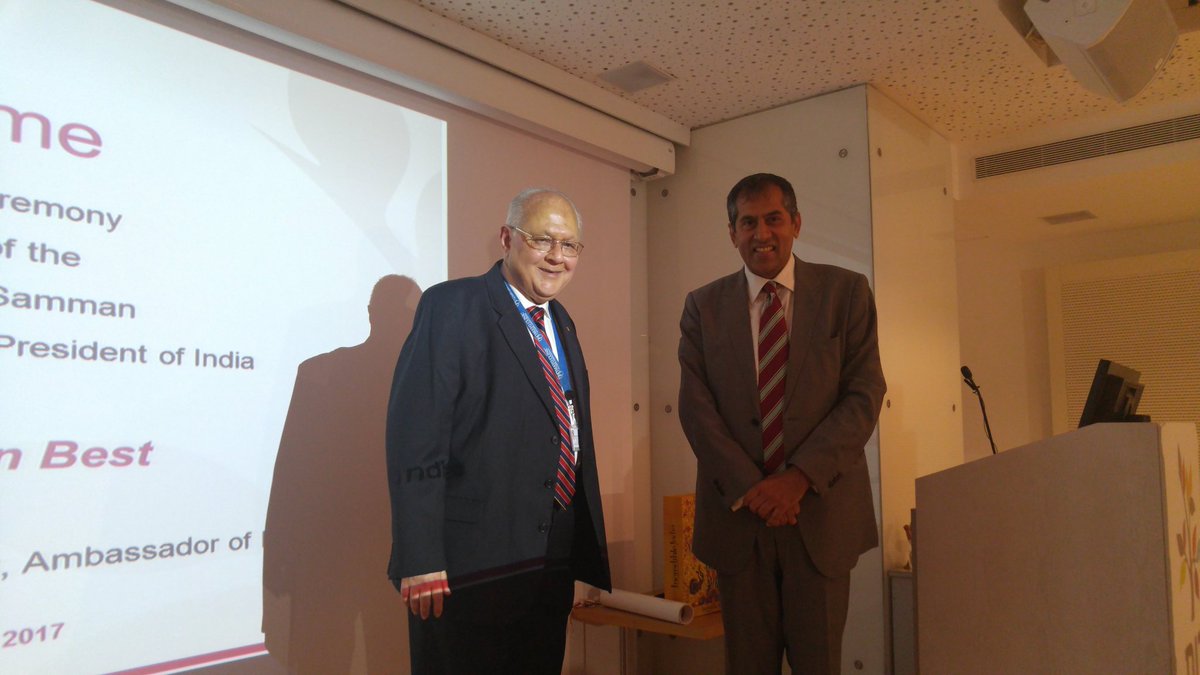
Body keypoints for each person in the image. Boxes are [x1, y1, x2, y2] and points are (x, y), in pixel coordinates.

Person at [386, 188, 610, 674]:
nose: (556, 256)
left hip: (547, 559)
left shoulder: (561, 321)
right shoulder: (453, 305)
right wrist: (419, 556)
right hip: (469, 566)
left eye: (569, 245)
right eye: (542, 240)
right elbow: (416, 437)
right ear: (507, 239)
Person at [677, 173, 885, 674]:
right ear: (732, 233)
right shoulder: (703, 306)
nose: (761, 233)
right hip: (739, 523)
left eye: (773, 219)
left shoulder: (846, 293)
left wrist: (796, 480)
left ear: (796, 223)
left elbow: (863, 395)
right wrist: (754, 490)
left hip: (821, 518)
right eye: (748, 223)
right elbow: (696, 408)